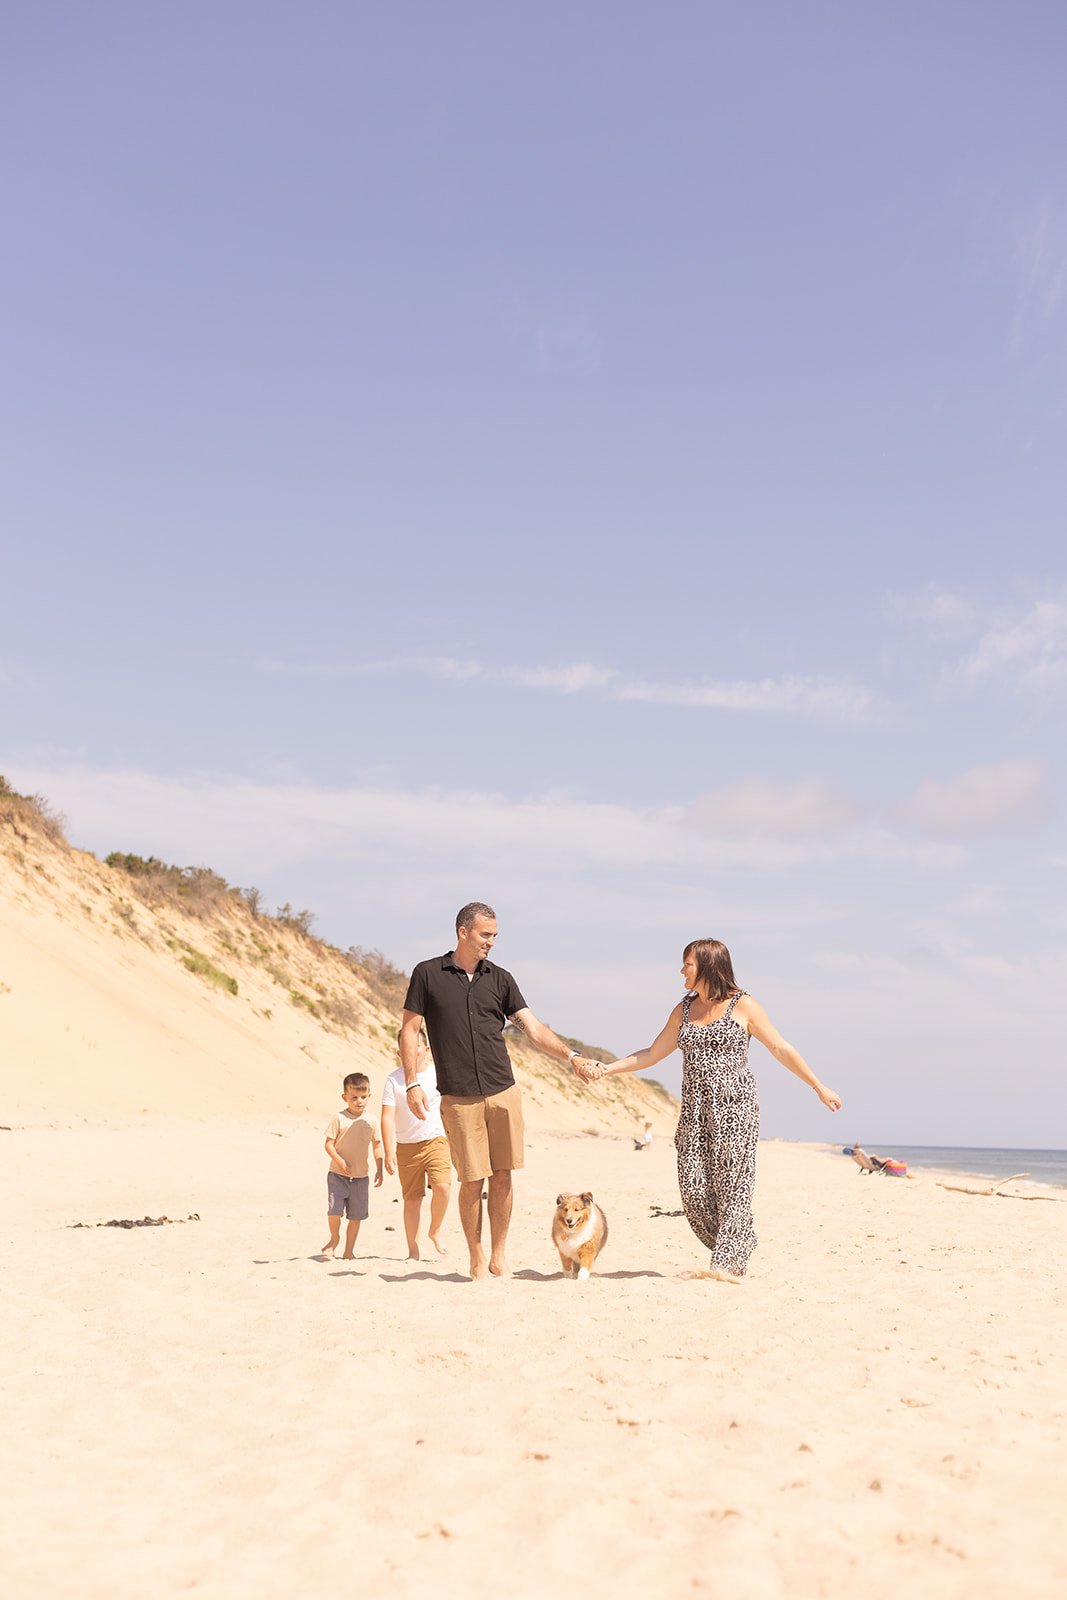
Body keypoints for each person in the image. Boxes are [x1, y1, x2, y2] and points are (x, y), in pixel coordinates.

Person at [589, 939, 842, 1283]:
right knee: (693, 1190)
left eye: (687, 964)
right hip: (695, 1111)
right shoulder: (683, 1009)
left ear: (708, 966)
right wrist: (607, 1069)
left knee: (733, 1186)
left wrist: (818, 1086)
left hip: (736, 1109)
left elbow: (780, 1047)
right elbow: (652, 1052)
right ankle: (737, 1241)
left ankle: (726, 1264)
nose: (681, 970)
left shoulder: (743, 1004)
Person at [399, 901, 599, 1281]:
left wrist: (572, 1057)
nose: (491, 942)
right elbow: (410, 1030)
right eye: (485, 934)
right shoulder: (427, 974)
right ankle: (476, 1256)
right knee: (472, 1179)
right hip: (459, 1095)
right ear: (463, 932)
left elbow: (533, 1028)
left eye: (494, 935)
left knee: (503, 1176)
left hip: (502, 1090)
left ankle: (498, 1255)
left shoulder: (501, 979)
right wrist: (412, 1083)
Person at [381, 1025, 451, 1260]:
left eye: (416, 1045)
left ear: (427, 1049)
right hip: (406, 1146)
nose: (411, 1050)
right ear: (399, 1052)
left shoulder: (438, 1074)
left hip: (436, 1140)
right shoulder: (394, 1080)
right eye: (406, 1046)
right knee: (412, 1200)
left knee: (442, 1187)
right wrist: (389, 1151)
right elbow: (387, 1117)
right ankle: (413, 1250)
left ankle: (435, 1229)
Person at [322, 1072, 384, 1260]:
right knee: (334, 1211)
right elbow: (328, 1144)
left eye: (363, 1097)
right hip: (337, 1175)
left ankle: (349, 1251)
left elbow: (377, 1145)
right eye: (354, 1097)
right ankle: (334, 1238)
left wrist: (380, 1168)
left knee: (356, 1217)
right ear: (345, 1097)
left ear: (369, 1096)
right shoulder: (339, 1118)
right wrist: (339, 1161)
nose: (359, 1101)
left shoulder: (372, 1120)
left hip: (360, 1178)